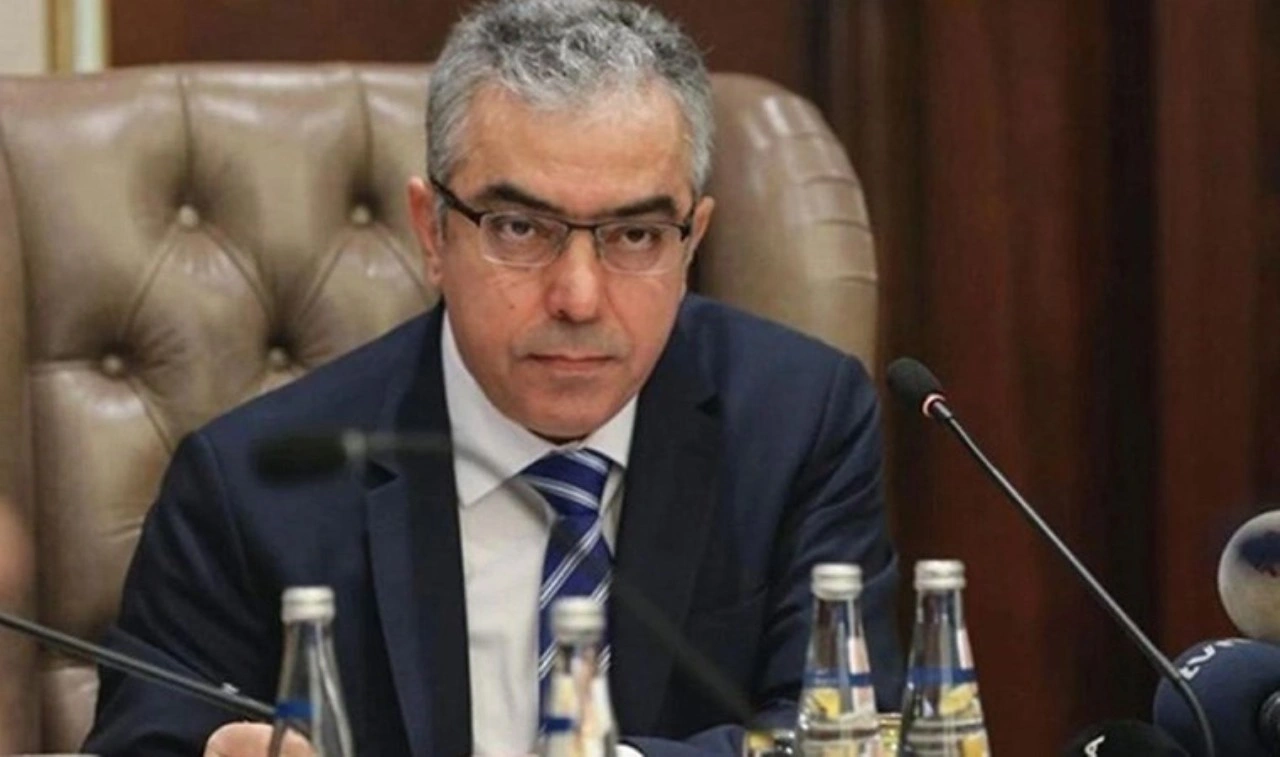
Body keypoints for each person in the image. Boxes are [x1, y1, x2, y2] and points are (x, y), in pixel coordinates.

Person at [84, 1, 903, 755]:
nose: (579, 297)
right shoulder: (252, 490)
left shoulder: (800, 425)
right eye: (519, 227)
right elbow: (145, 738)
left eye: (636, 235)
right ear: (431, 232)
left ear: (692, 241)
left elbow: (844, 731)